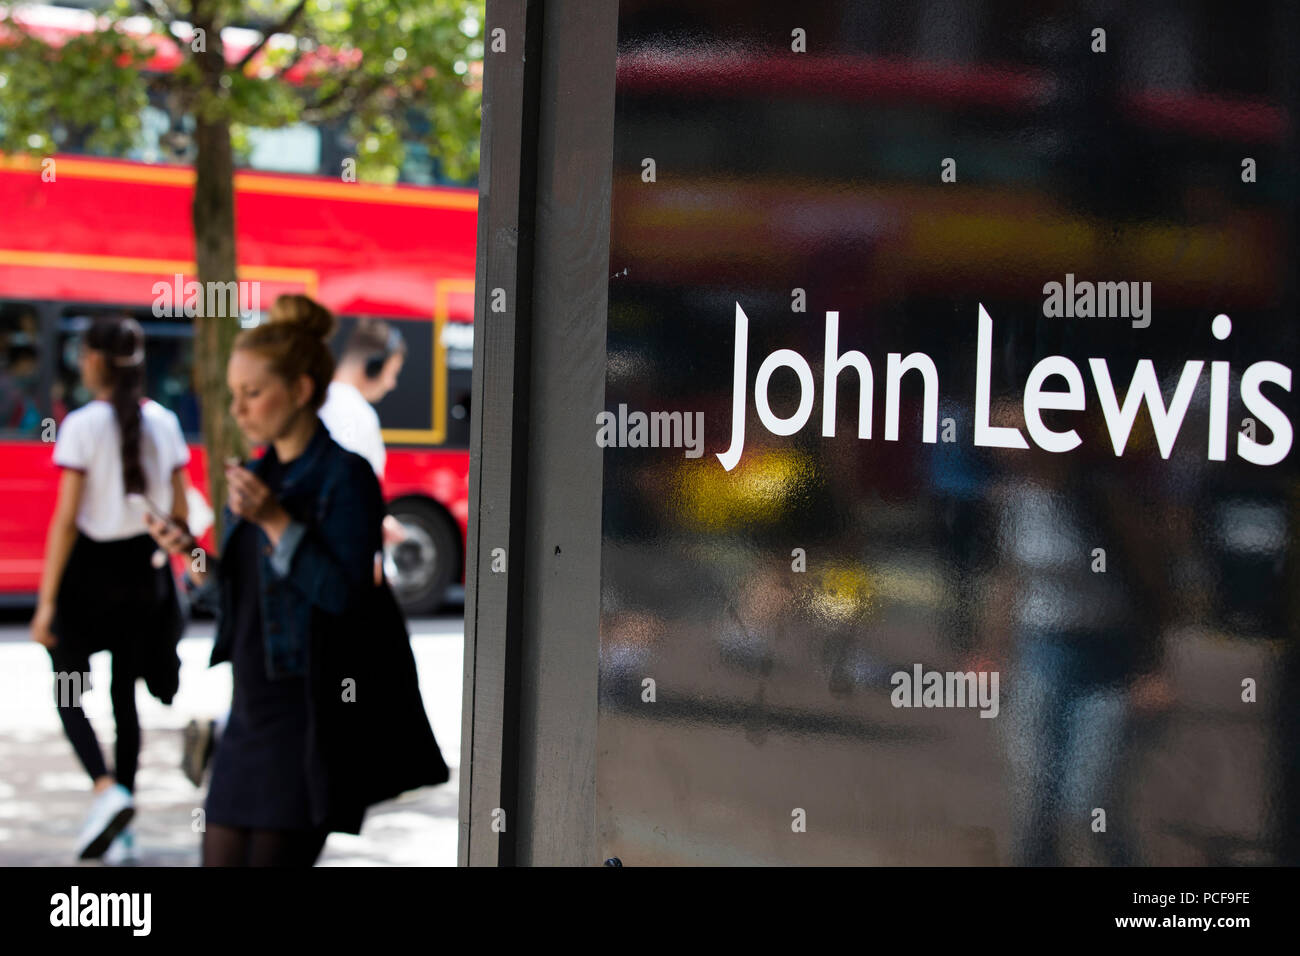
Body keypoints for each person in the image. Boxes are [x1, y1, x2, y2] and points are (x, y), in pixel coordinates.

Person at [146, 294, 448, 867]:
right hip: (250, 708)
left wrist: (277, 522)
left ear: (302, 390)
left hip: (309, 711)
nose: (238, 410)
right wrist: (192, 556)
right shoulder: (256, 478)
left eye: (252, 394)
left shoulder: (344, 478)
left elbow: (344, 596)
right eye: (234, 395)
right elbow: (236, 598)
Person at [30, 315, 190, 862]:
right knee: (125, 699)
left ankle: (106, 791)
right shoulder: (164, 422)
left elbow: (66, 520)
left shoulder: (80, 424)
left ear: (94, 360)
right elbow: (182, 515)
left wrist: (47, 603)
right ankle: (123, 821)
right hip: (142, 575)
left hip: (87, 577)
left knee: (70, 689)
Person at [318, 317, 406, 479]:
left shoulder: (317, 401)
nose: (391, 384)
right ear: (373, 367)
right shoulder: (357, 414)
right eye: (392, 373)